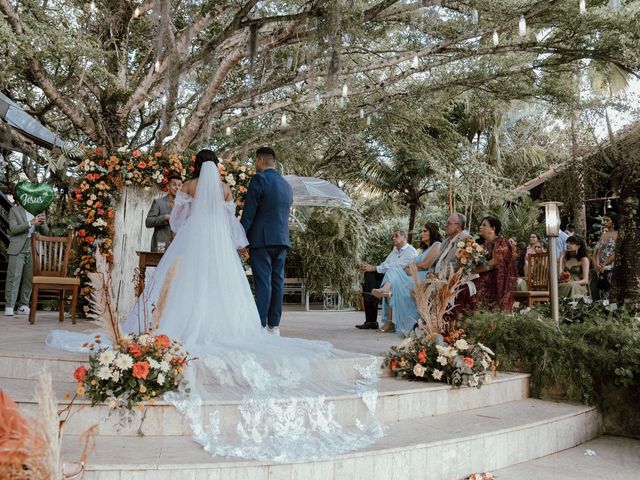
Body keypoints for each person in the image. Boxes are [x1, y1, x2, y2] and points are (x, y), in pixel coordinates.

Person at [47, 155, 381, 461]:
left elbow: (177, 219)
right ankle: (245, 326)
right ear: (217, 166)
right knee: (224, 285)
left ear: (196, 165)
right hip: (218, 243)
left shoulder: (189, 185)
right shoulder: (225, 188)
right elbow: (231, 220)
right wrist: (233, 239)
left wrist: (186, 226)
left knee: (182, 284)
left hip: (192, 240)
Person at [240, 147, 293, 335]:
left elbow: (249, 213)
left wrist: (239, 238)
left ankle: (260, 325)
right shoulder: (286, 185)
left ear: (260, 160)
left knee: (263, 282)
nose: (255, 165)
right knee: (277, 281)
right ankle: (274, 326)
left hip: (261, 239)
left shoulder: (259, 179)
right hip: (282, 239)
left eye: (255, 161)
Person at [372, 223, 442, 335]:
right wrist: (410, 268)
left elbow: (425, 265)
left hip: (424, 276)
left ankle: (390, 317)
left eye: (425, 231)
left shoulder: (437, 245)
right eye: (422, 231)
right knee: (394, 274)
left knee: (395, 277)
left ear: (432, 232)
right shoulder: (423, 249)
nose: (421, 234)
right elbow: (415, 265)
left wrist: (412, 267)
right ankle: (387, 295)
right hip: (414, 275)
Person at [356, 229, 417, 330]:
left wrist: (374, 267)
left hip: (401, 279)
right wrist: (371, 268)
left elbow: (398, 267)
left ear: (404, 237)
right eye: (393, 236)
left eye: (396, 236)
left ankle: (379, 292)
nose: (394, 238)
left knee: (385, 270)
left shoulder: (410, 251)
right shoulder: (394, 251)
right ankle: (371, 321)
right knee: (369, 274)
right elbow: (385, 264)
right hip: (389, 278)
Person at [4, 202, 49, 316]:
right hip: (18, 247)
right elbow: (13, 229)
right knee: (13, 277)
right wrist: (31, 222)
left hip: (34, 247)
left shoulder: (39, 210)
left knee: (29, 278)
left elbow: (46, 232)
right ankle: (9, 306)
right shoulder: (14, 210)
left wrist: (42, 223)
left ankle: (23, 306)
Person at [469, 216, 518, 312]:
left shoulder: (501, 242)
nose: (480, 227)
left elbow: (494, 263)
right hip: (481, 276)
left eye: (484, 225)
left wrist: (474, 271)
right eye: (481, 225)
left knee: (468, 289)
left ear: (493, 229)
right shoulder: (482, 245)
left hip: (495, 279)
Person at [145, 174, 182, 252]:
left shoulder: (184, 205)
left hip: (179, 246)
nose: (177, 187)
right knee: (159, 263)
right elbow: (148, 222)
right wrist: (165, 217)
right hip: (161, 245)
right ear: (168, 186)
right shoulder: (158, 202)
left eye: (179, 185)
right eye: (174, 185)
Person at [593, 211, 618, 300]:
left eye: (607, 220)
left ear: (613, 221)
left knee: (610, 287)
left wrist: (605, 264)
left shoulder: (617, 234)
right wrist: (597, 264)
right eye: (604, 220)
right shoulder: (603, 235)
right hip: (601, 266)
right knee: (601, 289)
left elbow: (616, 252)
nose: (605, 222)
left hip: (611, 264)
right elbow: (598, 251)